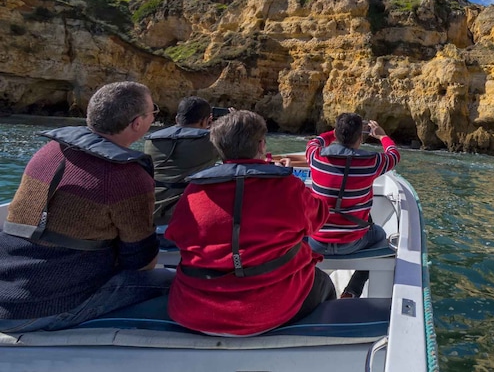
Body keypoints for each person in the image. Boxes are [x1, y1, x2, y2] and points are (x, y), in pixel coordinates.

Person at [0, 81, 173, 333]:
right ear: (137, 123)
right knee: (174, 284)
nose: (154, 116)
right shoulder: (128, 176)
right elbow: (140, 261)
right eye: (152, 111)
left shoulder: (50, 151)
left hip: (7, 293)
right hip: (40, 309)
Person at [165, 110, 335, 336]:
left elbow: (176, 235)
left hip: (195, 309)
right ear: (262, 145)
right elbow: (318, 218)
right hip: (272, 308)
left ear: (218, 147)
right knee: (323, 283)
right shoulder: (286, 187)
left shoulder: (195, 190)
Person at [306, 113, 400, 298]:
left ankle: (305, 285)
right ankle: (352, 290)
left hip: (316, 242)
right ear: (360, 137)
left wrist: (335, 132)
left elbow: (316, 141)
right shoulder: (371, 163)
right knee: (381, 236)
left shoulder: (315, 157)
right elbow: (394, 154)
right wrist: (381, 135)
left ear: (338, 135)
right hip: (352, 243)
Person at [144, 96, 219, 226]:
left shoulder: (151, 141)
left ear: (177, 119)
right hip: (187, 216)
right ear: (206, 121)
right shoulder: (210, 142)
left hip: (152, 212)